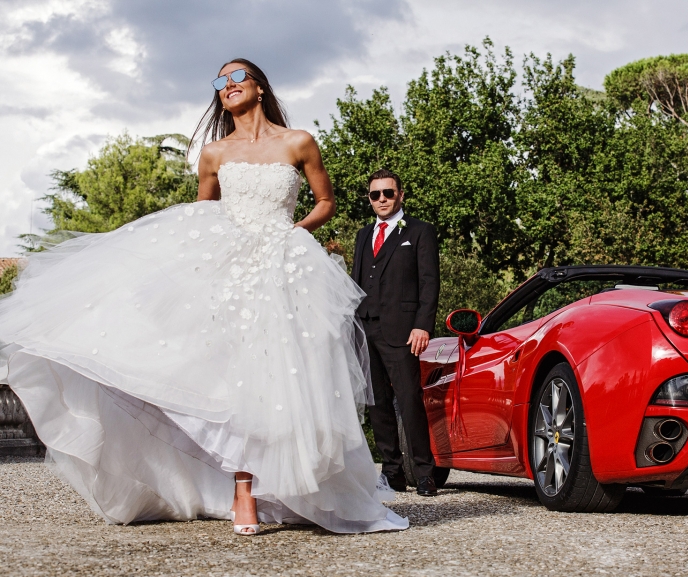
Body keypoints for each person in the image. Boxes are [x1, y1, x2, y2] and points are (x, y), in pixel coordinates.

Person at [0, 58, 407, 536]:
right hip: (231, 272)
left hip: (286, 267)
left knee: (287, 377)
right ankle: (241, 491)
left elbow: (326, 202)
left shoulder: (298, 142)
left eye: (238, 78)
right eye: (221, 81)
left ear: (259, 87)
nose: (228, 86)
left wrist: (292, 233)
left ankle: (296, 484)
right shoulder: (214, 153)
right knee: (233, 379)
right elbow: (202, 215)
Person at [351, 169, 440, 497]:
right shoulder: (363, 235)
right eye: (376, 195)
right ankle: (391, 472)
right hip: (366, 328)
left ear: (400, 195)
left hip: (404, 331)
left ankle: (425, 472)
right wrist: (352, 325)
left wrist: (422, 325)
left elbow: (430, 282)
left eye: (388, 193)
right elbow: (357, 282)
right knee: (377, 404)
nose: (382, 199)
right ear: (370, 198)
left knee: (409, 400)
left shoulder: (419, 232)